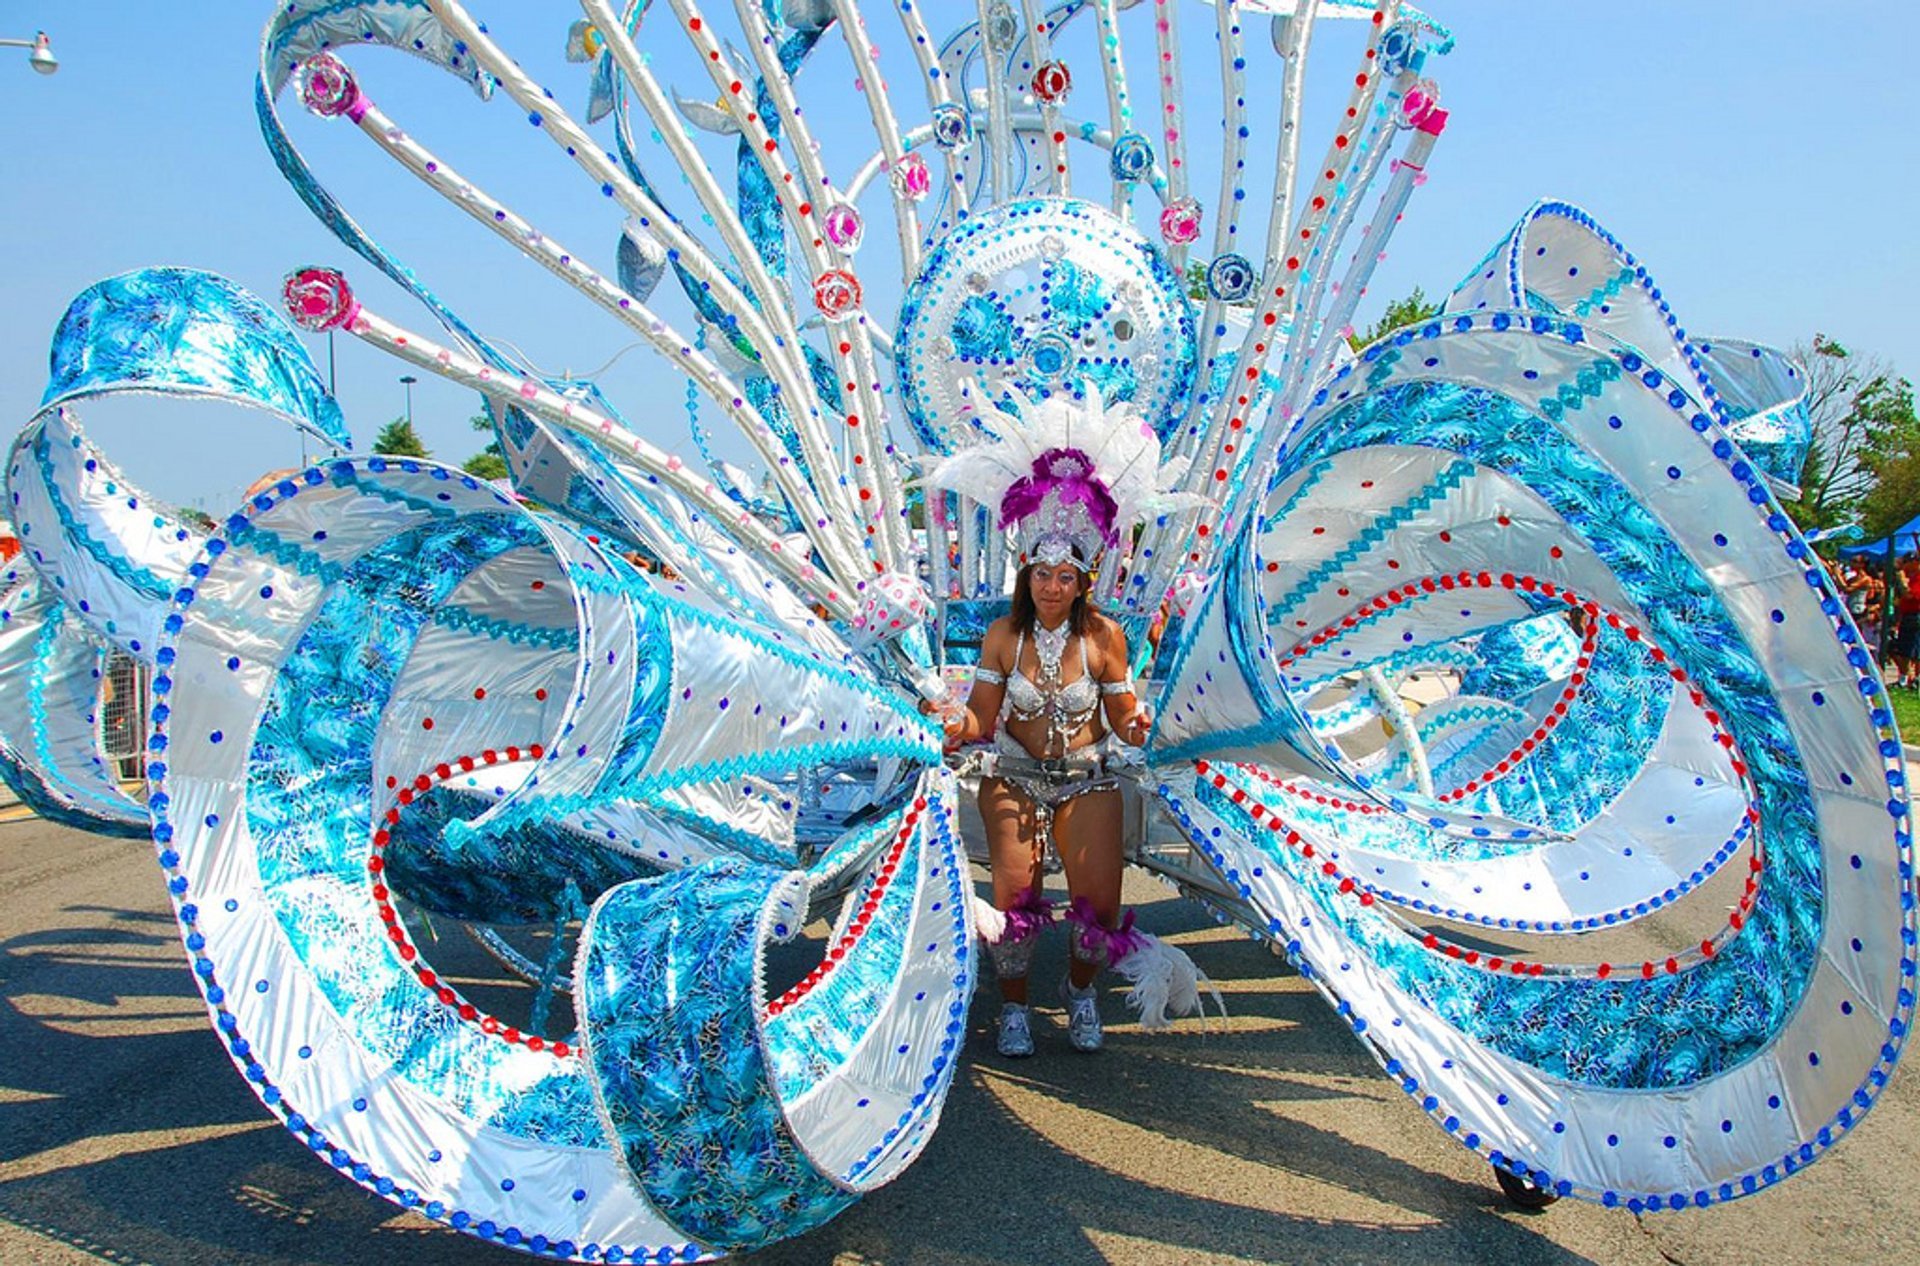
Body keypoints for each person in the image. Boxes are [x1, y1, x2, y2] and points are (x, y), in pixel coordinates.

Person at [925, 389, 1214, 1058]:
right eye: (1040, 574)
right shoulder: (1003, 635)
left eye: (1064, 575)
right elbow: (983, 718)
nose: (1051, 586)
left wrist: (1144, 723)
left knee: (1099, 916)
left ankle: (1082, 994)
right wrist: (950, 719)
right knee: (1016, 909)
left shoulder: (1106, 637)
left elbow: (1122, 718)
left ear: (1083, 581)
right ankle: (1017, 1008)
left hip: (1087, 779)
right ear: (1025, 575)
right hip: (1013, 777)